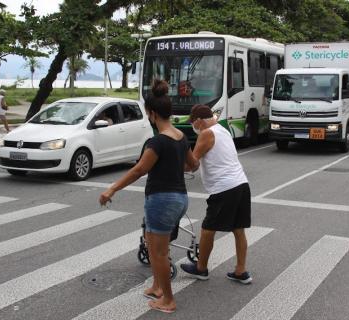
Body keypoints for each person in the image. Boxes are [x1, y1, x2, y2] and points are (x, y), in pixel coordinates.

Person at [99, 80, 199, 314]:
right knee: (150, 240)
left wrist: (111, 189)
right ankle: (156, 286)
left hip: (162, 200)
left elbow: (139, 170)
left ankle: (168, 299)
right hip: (180, 198)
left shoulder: (157, 141)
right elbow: (192, 165)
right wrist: (174, 165)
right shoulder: (180, 137)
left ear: (152, 113)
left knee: (159, 252)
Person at [180, 104, 253, 284]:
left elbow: (192, 164)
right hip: (241, 185)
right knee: (238, 229)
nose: (193, 127)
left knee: (207, 230)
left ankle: (201, 268)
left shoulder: (206, 134)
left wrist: (173, 164)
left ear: (198, 121)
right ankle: (241, 271)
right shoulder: (223, 130)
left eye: (193, 123)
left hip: (225, 189)